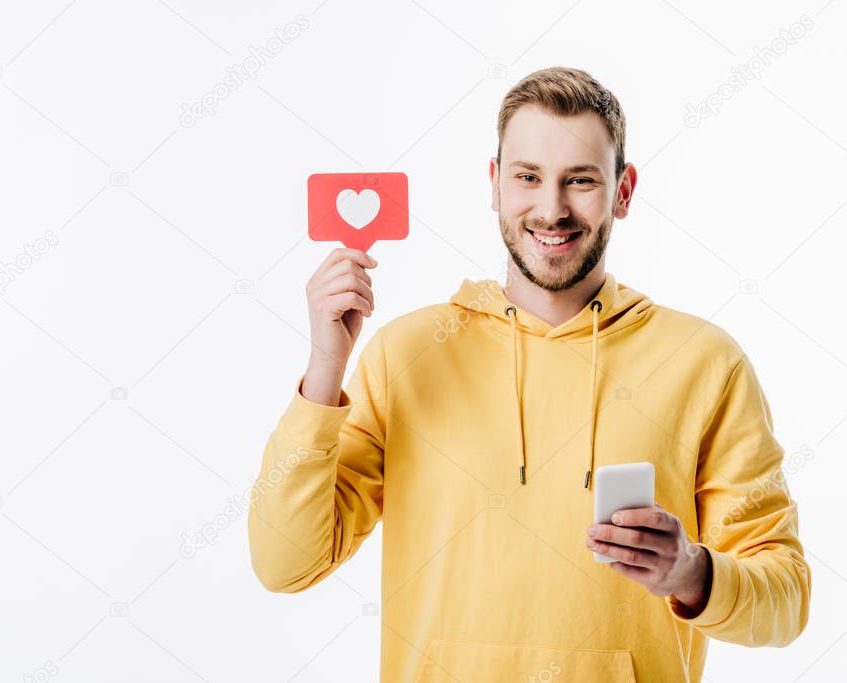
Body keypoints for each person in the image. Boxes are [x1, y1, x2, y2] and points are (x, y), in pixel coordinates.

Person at [248, 66, 811, 682]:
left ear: (622, 191)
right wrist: (326, 366)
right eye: (528, 177)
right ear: (495, 185)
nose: (552, 209)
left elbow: (784, 602)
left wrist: (692, 573)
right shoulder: (404, 354)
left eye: (581, 181)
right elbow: (285, 564)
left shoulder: (705, 362)